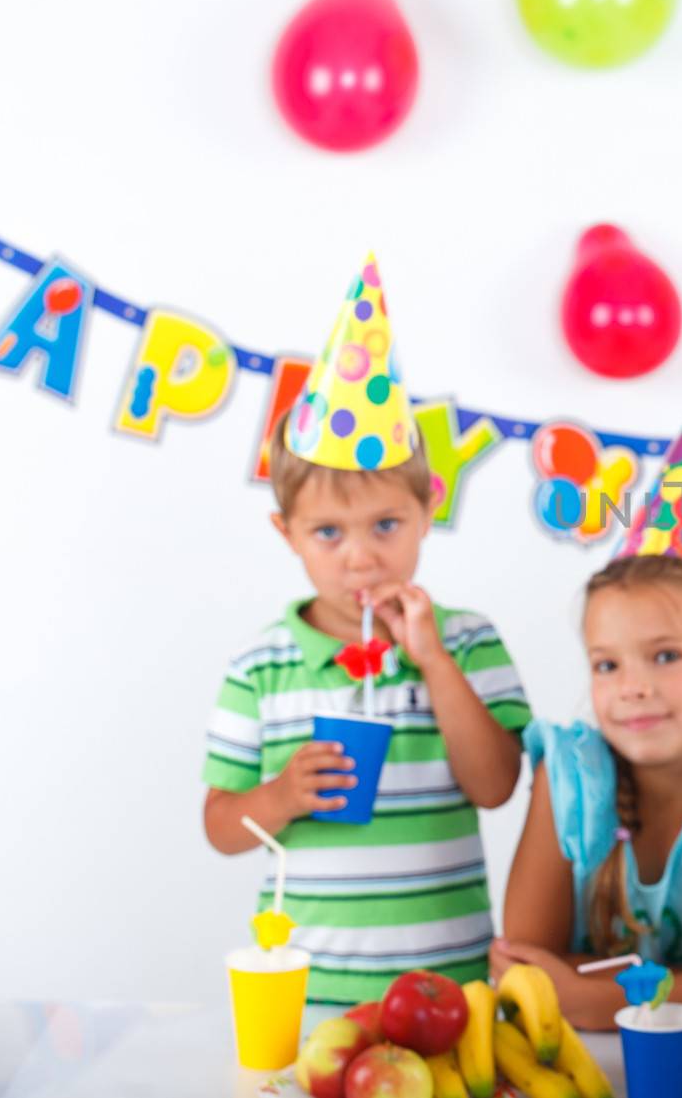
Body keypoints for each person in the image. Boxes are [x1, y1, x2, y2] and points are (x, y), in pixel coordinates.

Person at [203, 257, 529, 1002]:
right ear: (286, 531)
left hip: (449, 986)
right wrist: (282, 795)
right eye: (327, 532)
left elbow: (496, 786)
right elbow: (221, 826)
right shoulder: (261, 664)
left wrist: (433, 661)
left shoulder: (471, 640)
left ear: (429, 507)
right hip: (309, 992)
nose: (360, 555)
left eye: (386, 523)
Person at [493, 402, 682, 1030]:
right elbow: (524, 970)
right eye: (607, 665)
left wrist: (597, 998)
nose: (631, 688)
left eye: (665, 655)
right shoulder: (569, 775)